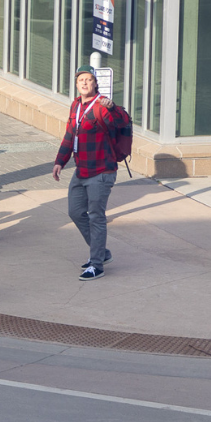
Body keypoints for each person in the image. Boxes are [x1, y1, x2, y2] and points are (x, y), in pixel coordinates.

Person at [53, 65, 131, 281]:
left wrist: (113, 108)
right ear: (77, 84)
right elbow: (70, 134)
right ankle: (102, 253)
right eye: (81, 80)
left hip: (101, 170)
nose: (84, 83)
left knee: (97, 217)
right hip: (82, 169)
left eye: (88, 80)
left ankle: (97, 265)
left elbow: (121, 122)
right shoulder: (76, 105)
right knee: (75, 212)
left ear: (95, 83)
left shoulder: (102, 106)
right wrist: (60, 161)